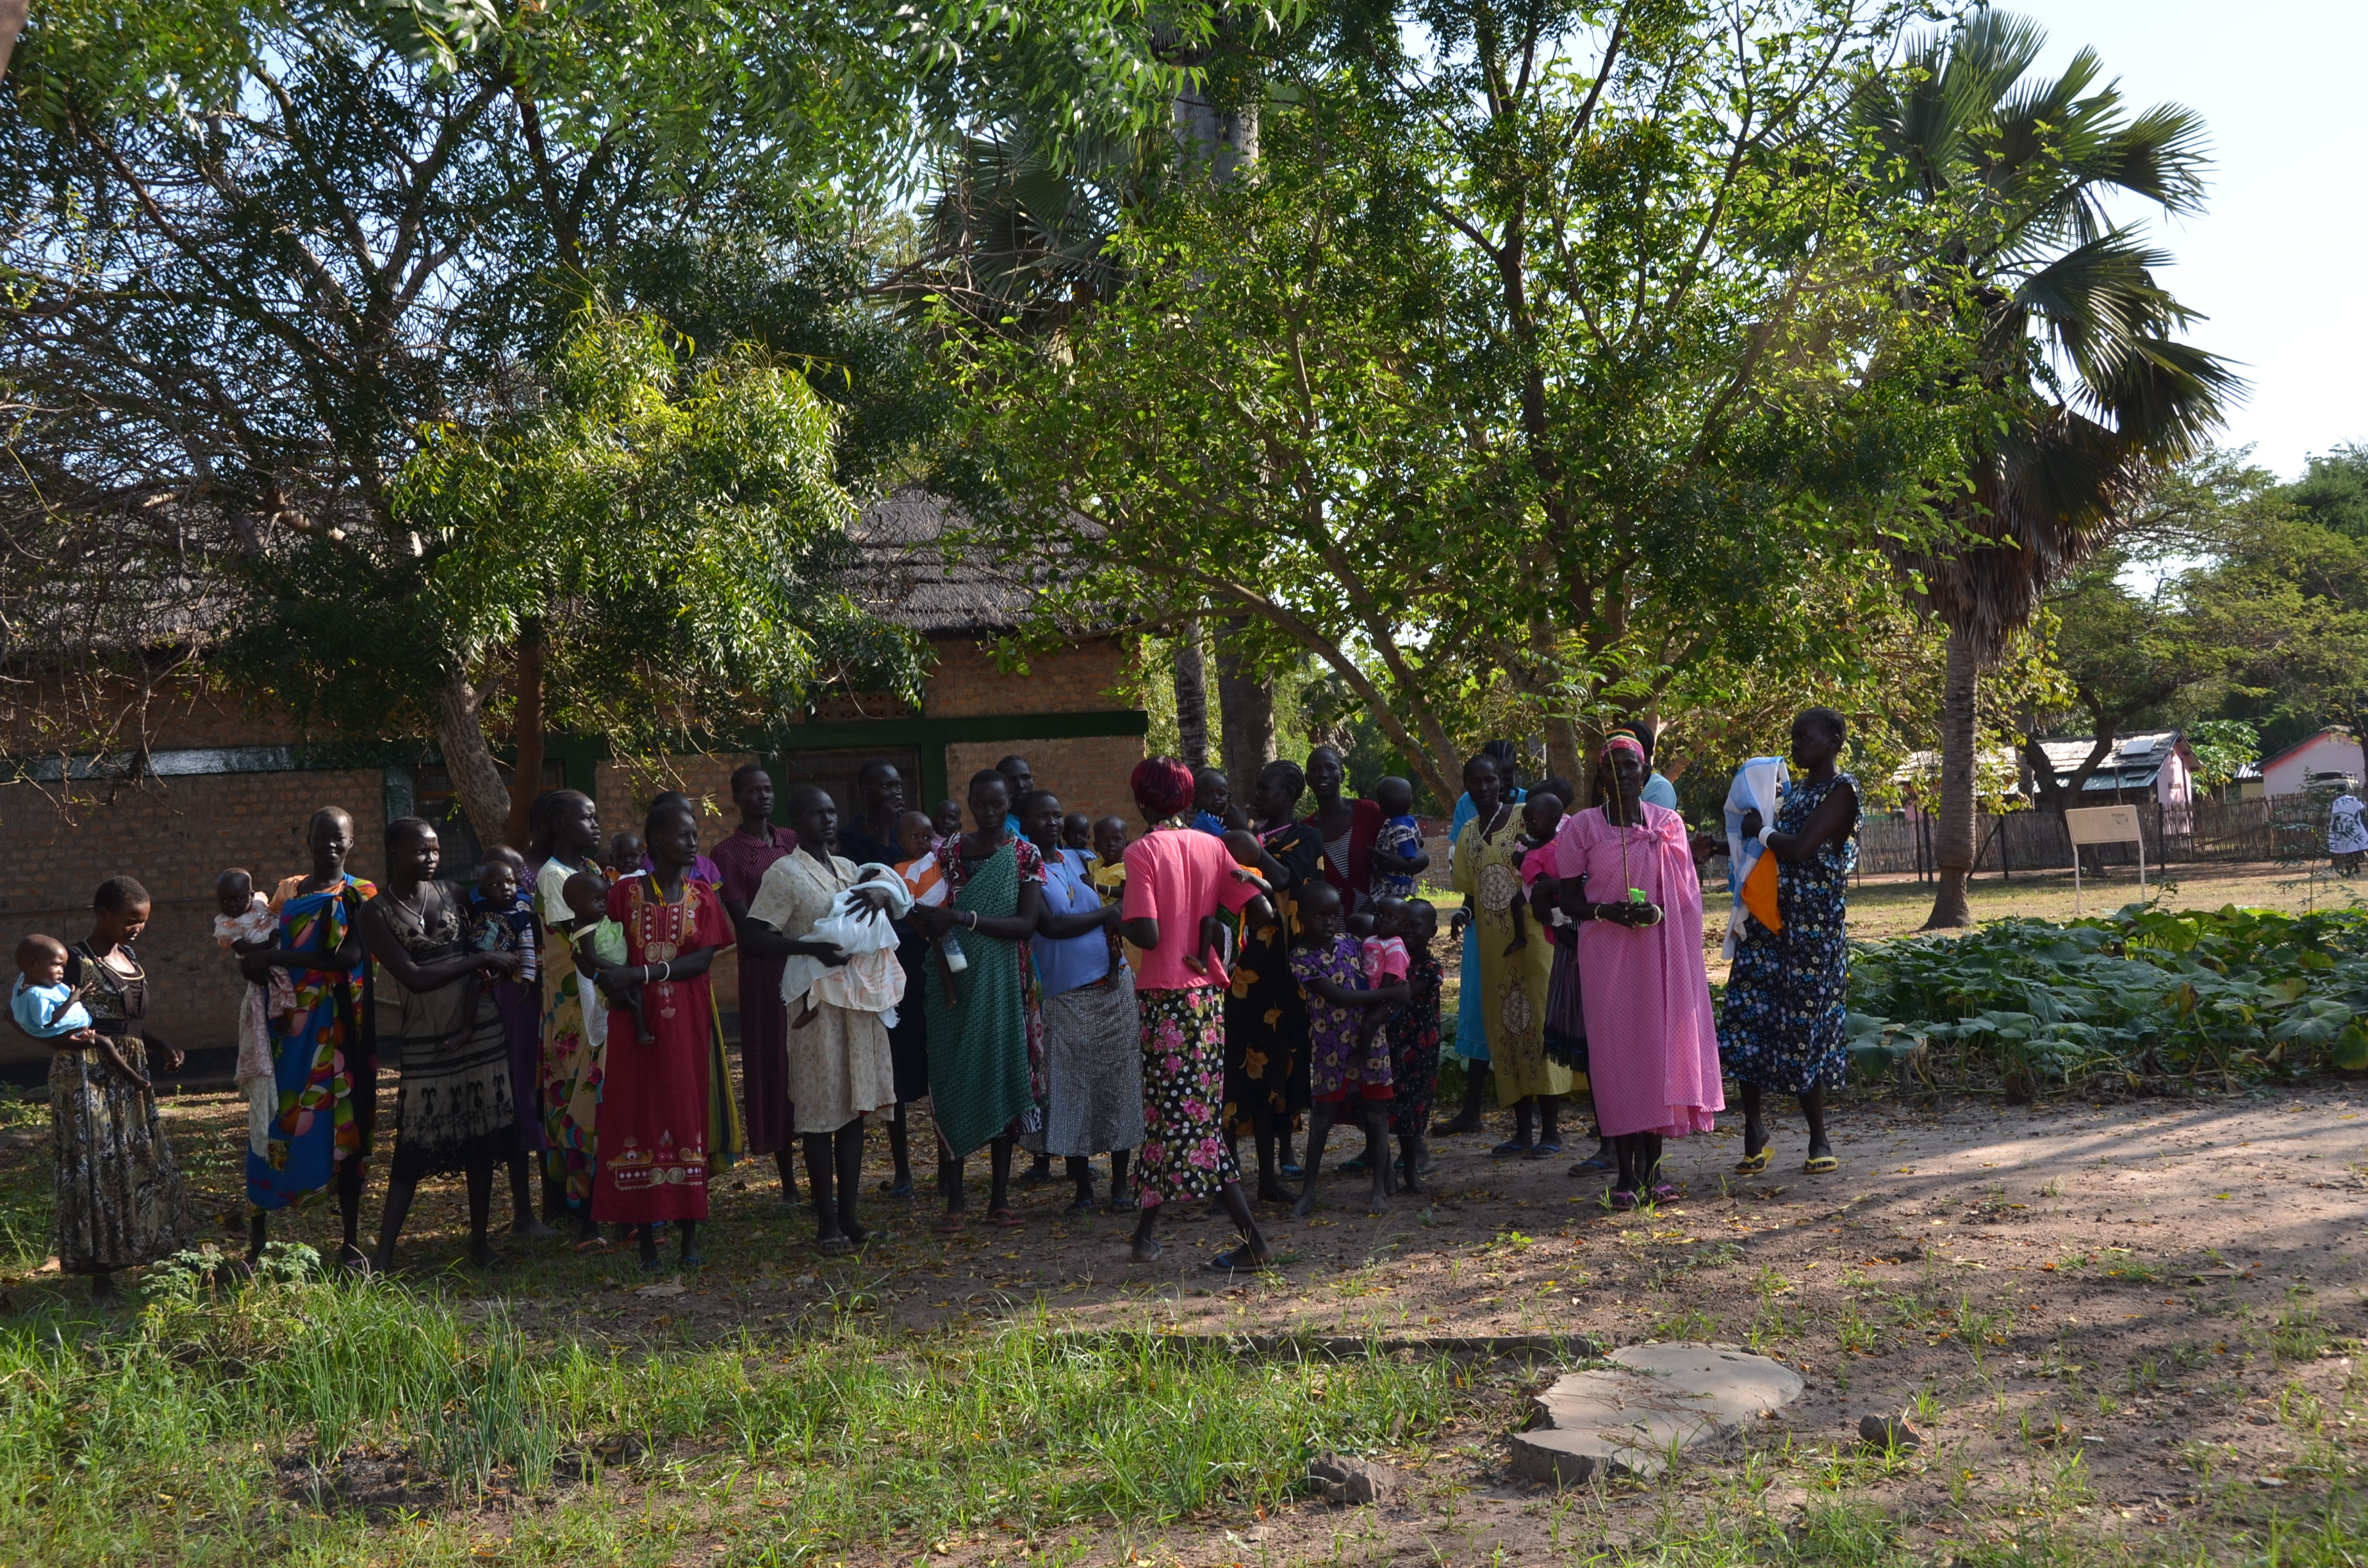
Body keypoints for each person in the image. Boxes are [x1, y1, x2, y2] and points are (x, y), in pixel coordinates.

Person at [1551, 735, 1723, 1208]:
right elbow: (1565, 899)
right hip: (1607, 954)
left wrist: (1656, 915)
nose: (1624, 774)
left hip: (1660, 955)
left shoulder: (1668, 825)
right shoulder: (1583, 828)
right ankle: (1625, 1174)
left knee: (1657, 1056)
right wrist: (1609, 911)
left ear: (1645, 774)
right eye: (1615, 767)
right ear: (1602, 776)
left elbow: (1686, 899)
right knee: (1616, 1060)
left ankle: (1655, 1170)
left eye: (1633, 767)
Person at [1119, 756, 1276, 1270]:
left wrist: (1109, 913)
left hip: (1164, 1001)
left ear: (1143, 802)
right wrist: (1213, 926)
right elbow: (1264, 910)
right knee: (1167, 1116)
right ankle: (1144, 1237)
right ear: (1186, 799)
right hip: (1206, 999)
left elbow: (1147, 934)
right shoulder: (1215, 847)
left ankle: (1254, 1241)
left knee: (1192, 1123)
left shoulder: (1141, 852)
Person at [359, 818, 525, 1270]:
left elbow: (495, 924)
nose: (430, 858)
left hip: (480, 1028)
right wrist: (481, 959)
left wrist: (490, 958)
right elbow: (412, 976)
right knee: (412, 1144)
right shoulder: (374, 913)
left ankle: (480, 1245)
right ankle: (384, 1255)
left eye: (434, 850)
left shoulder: (453, 892)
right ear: (394, 852)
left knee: (482, 1139)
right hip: (425, 1031)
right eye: (420, 851)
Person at [745, 785, 901, 1253]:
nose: (829, 821)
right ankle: (826, 1223)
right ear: (798, 822)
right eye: (818, 815)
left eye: (833, 812)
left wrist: (877, 894)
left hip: (857, 1003)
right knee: (818, 1115)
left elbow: (892, 887)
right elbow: (755, 936)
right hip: (814, 1006)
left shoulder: (849, 869)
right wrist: (809, 948)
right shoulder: (785, 874)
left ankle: (851, 1218)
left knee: (852, 1110)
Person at [594, 801, 741, 1270]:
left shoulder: (702, 895)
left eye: (695, 833)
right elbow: (603, 947)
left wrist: (641, 973)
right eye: (682, 834)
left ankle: (689, 1237)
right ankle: (644, 1242)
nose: (693, 841)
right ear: (656, 841)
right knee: (637, 1114)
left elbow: (702, 960)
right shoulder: (624, 894)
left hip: (686, 1023)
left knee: (684, 1114)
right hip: (635, 1024)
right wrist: (617, 983)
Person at [1719, 708, 1862, 1175]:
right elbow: (1767, 846)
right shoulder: (1793, 791)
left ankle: (1818, 1138)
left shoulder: (1842, 792)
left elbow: (1798, 847)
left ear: (1835, 740)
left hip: (1812, 932)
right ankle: (1754, 1130)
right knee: (1747, 1017)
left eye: (1806, 738)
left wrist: (1758, 830)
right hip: (1769, 923)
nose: (1797, 747)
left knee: (1805, 1026)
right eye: (1794, 738)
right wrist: (1721, 844)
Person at [238, 808, 377, 1266]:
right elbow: (258, 936)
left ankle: (351, 1242)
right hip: (284, 1027)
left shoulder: (361, 894)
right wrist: (255, 957)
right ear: (309, 840)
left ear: (351, 842)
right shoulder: (288, 892)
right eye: (321, 838)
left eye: (339, 838)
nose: (330, 846)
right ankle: (257, 1243)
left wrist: (276, 956)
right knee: (273, 1113)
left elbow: (347, 957)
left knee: (343, 1124)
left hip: (338, 1029)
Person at [911, 770, 1046, 1232]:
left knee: (1000, 1077)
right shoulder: (945, 853)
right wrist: (930, 920)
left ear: (1010, 804)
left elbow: (1026, 924)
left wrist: (963, 916)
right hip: (950, 981)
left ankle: (999, 1197)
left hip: (1005, 982)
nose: (989, 813)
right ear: (968, 804)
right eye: (981, 805)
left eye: (999, 804)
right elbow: (922, 908)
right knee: (951, 1078)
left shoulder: (1025, 854)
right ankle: (954, 1198)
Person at [46, 879, 195, 1297]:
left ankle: (156, 1251)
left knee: (148, 1160)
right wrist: (63, 1042)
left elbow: (127, 1022)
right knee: (98, 1169)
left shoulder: (127, 956)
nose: (137, 928)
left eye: (143, 922)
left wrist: (162, 1044)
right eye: (130, 920)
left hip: (129, 1070)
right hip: (86, 1076)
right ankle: (100, 1274)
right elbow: (24, 1009)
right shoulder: (73, 960)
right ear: (102, 914)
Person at [1021, 788, 1142, 1214]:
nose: (1052, 823)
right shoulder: (1026, 866)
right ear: (1026, 822)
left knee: (1120, 1086)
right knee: (1071, 1090)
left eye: (1057, 815)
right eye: (1042, 817)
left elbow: (1118, 902)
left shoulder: (1081, 860)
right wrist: (1105, 916)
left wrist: (1113, 918)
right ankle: (1083, 1190)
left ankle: (1122, 1186)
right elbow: (1049, 925)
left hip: (1113, 987)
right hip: (1065, 994)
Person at [1452, 754, 1574, 1156]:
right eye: (1476, 781)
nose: (1485, 787)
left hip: (1536, 943)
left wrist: (1550, 895)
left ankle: (1551, 1132)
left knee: (1539, 1025)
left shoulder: (1527, 815)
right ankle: (1522, 1132)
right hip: (1493, 950)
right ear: (1467, 785)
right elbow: (1471, 890)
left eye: (1491, 779)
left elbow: (1564, 849)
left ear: (1502, 782)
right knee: (1507, 1031)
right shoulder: (1468, 832)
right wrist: (1463, 912)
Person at [1217, 760, 1322, 1202]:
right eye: (1257, 787)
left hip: (1284, 969)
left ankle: (1278, 1161)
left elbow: (1285, 880)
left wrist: (1251, 845)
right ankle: (1233, 1169)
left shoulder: (1306, 837)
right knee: (1238, 1058)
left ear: (1291, 794)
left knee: (1283, 1059)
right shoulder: (1247, 835)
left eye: (1266, 788)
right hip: (1241, 970)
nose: (1258, 794)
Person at [711, 764, 799, 1203]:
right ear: (737, 797)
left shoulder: (790, 840)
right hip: (765, 969)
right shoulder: (726, 852)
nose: (763, 797)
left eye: (768, 789)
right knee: (775, 1061)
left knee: (808, 1056)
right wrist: (791, 938)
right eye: (753, 791)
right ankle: (788, 1183)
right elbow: (745, 923)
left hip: (807, 962)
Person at [1290, 880, 1404, 1216]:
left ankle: (1379, 1188)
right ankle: (1309, 1191)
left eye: (1333, 915)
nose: (1327, 922)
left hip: (1371, 1042)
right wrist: (1388, 996)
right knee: (1323, 1116)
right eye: (1319, 915)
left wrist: (1389, 994)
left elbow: (1380, 971)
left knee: (1376, 1112)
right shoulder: (1301, 958)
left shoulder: (1352, 943)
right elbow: (1340, 997)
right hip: (1330, 1047)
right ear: (1301, 918)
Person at [1435, 740, 1523, 1134]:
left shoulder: (1528, 805)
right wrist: (1467, 910)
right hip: (1481, 925)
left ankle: (1530, 1108)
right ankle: (1472, 1110)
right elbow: (1469, 869)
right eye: (1486, 779)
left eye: (1505, 777)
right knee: (1478, 1007)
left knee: (1523, 1009)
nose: (1497, 786)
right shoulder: (1467, 810)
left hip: (1524, 928)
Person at [530, 790, 607, 1238]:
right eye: (587, 817)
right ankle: (580, 1212)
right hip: (571, 1009)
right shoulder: (553, 877)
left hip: (599, 1001)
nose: (596, 825)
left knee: (598, 1099)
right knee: (576, 1101)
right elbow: (580, 941)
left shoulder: (592, 870)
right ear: (560, 824)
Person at [469, 847, 556, 1239]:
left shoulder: (526, 912)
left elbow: (528, 953)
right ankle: (522, 1212)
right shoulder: (473, 912)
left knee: (530, 1096)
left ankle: (543, 1208)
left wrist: (525, 976)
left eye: (517, 876)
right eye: (500, 879)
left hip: (526, 1000)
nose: (512, 884)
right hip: (494, 1005)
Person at [1387, 899, 1443, 1191]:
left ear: (1433, 932)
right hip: (1390, 1047)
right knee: (1384, 1109)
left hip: (1418, 1051)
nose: (1407, 930)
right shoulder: (1390, 957)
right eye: (1404, 923)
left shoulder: (1430, 967)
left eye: (1415, 925)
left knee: (1410, 1114)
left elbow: (1404, 994)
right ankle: (1387, 1171)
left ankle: (1410, 1170)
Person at [1303, 746, 1383, 917]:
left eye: (1331, 768)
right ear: (1307, 779)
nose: (1323, 774)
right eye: (1315, 770)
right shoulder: (1305, 830)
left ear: (1342, 775)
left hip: (1375, 925)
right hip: (1329, 931)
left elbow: (1405, 850)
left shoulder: (1368, 812)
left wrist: (1366, 913)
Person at [837, 760, 909, 868]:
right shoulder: (849, 837)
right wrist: (884, 830)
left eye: (898, 786)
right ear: (865, 790)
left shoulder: (909, 827)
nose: (895, 793)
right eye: (886, 786)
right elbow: (876, 876)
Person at [1369, 777, 1428, 900]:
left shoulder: (1399, 827)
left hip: (1393, 882)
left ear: (1382, 808)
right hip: (1394, 879)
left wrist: (1381, 869)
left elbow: (1406, 856)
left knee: (1372, 906)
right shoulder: (1409, 820)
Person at [1192, 768, 1243, 835]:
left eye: (1221, 793)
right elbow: (1227, 842)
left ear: (1228, 797)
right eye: (1209, 794)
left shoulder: (1220, 818)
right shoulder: (1205, 820)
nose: (1216, 798)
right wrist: (1243, 827)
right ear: (1196, 799)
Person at [2330, 789, 2367, 876]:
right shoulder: (2354, 799)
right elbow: (2361, 812)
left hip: (2344, 828)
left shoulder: (2337, 802)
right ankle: (2356, 869)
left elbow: (2336, 816)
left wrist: (2334, 827)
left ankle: (2350, 870)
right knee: (2354, 849)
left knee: (2346, 850)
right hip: (2356, 827)